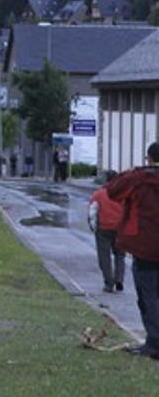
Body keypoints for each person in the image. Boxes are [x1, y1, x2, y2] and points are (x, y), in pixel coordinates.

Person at [107, 142, 159, 359]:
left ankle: (154, 343)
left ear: (149, 158)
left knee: (148, 296)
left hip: (146, 247)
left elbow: (113, 191)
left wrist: (133, 170)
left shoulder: (139, 179)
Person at [89, 171, 125, 293]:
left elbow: (92, 211)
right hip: (120, 228)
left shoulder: (99, 194)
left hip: (103, 228)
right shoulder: (124, 194)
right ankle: (119, 279)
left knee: (104, 256)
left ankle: (108, 283)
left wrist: (93, 226)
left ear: (106, 180)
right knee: (120, 255)